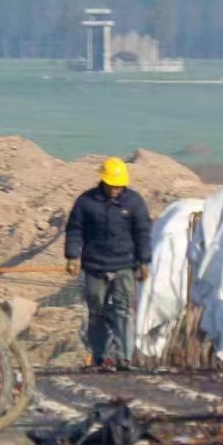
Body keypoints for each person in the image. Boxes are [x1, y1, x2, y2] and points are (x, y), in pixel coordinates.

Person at [64, 157, 152, 371]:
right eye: (112, 186)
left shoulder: (134, 202)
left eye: (119, 186)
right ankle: (100, 357)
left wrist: (144, 262)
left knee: (124, 311)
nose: (115, 190)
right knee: (97, 312)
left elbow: (143, 233)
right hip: (95, 266)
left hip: (124, 265)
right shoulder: (86, 202)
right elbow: (75, 230)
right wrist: (72, 256)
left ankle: (125, 358)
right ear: (103, 181)